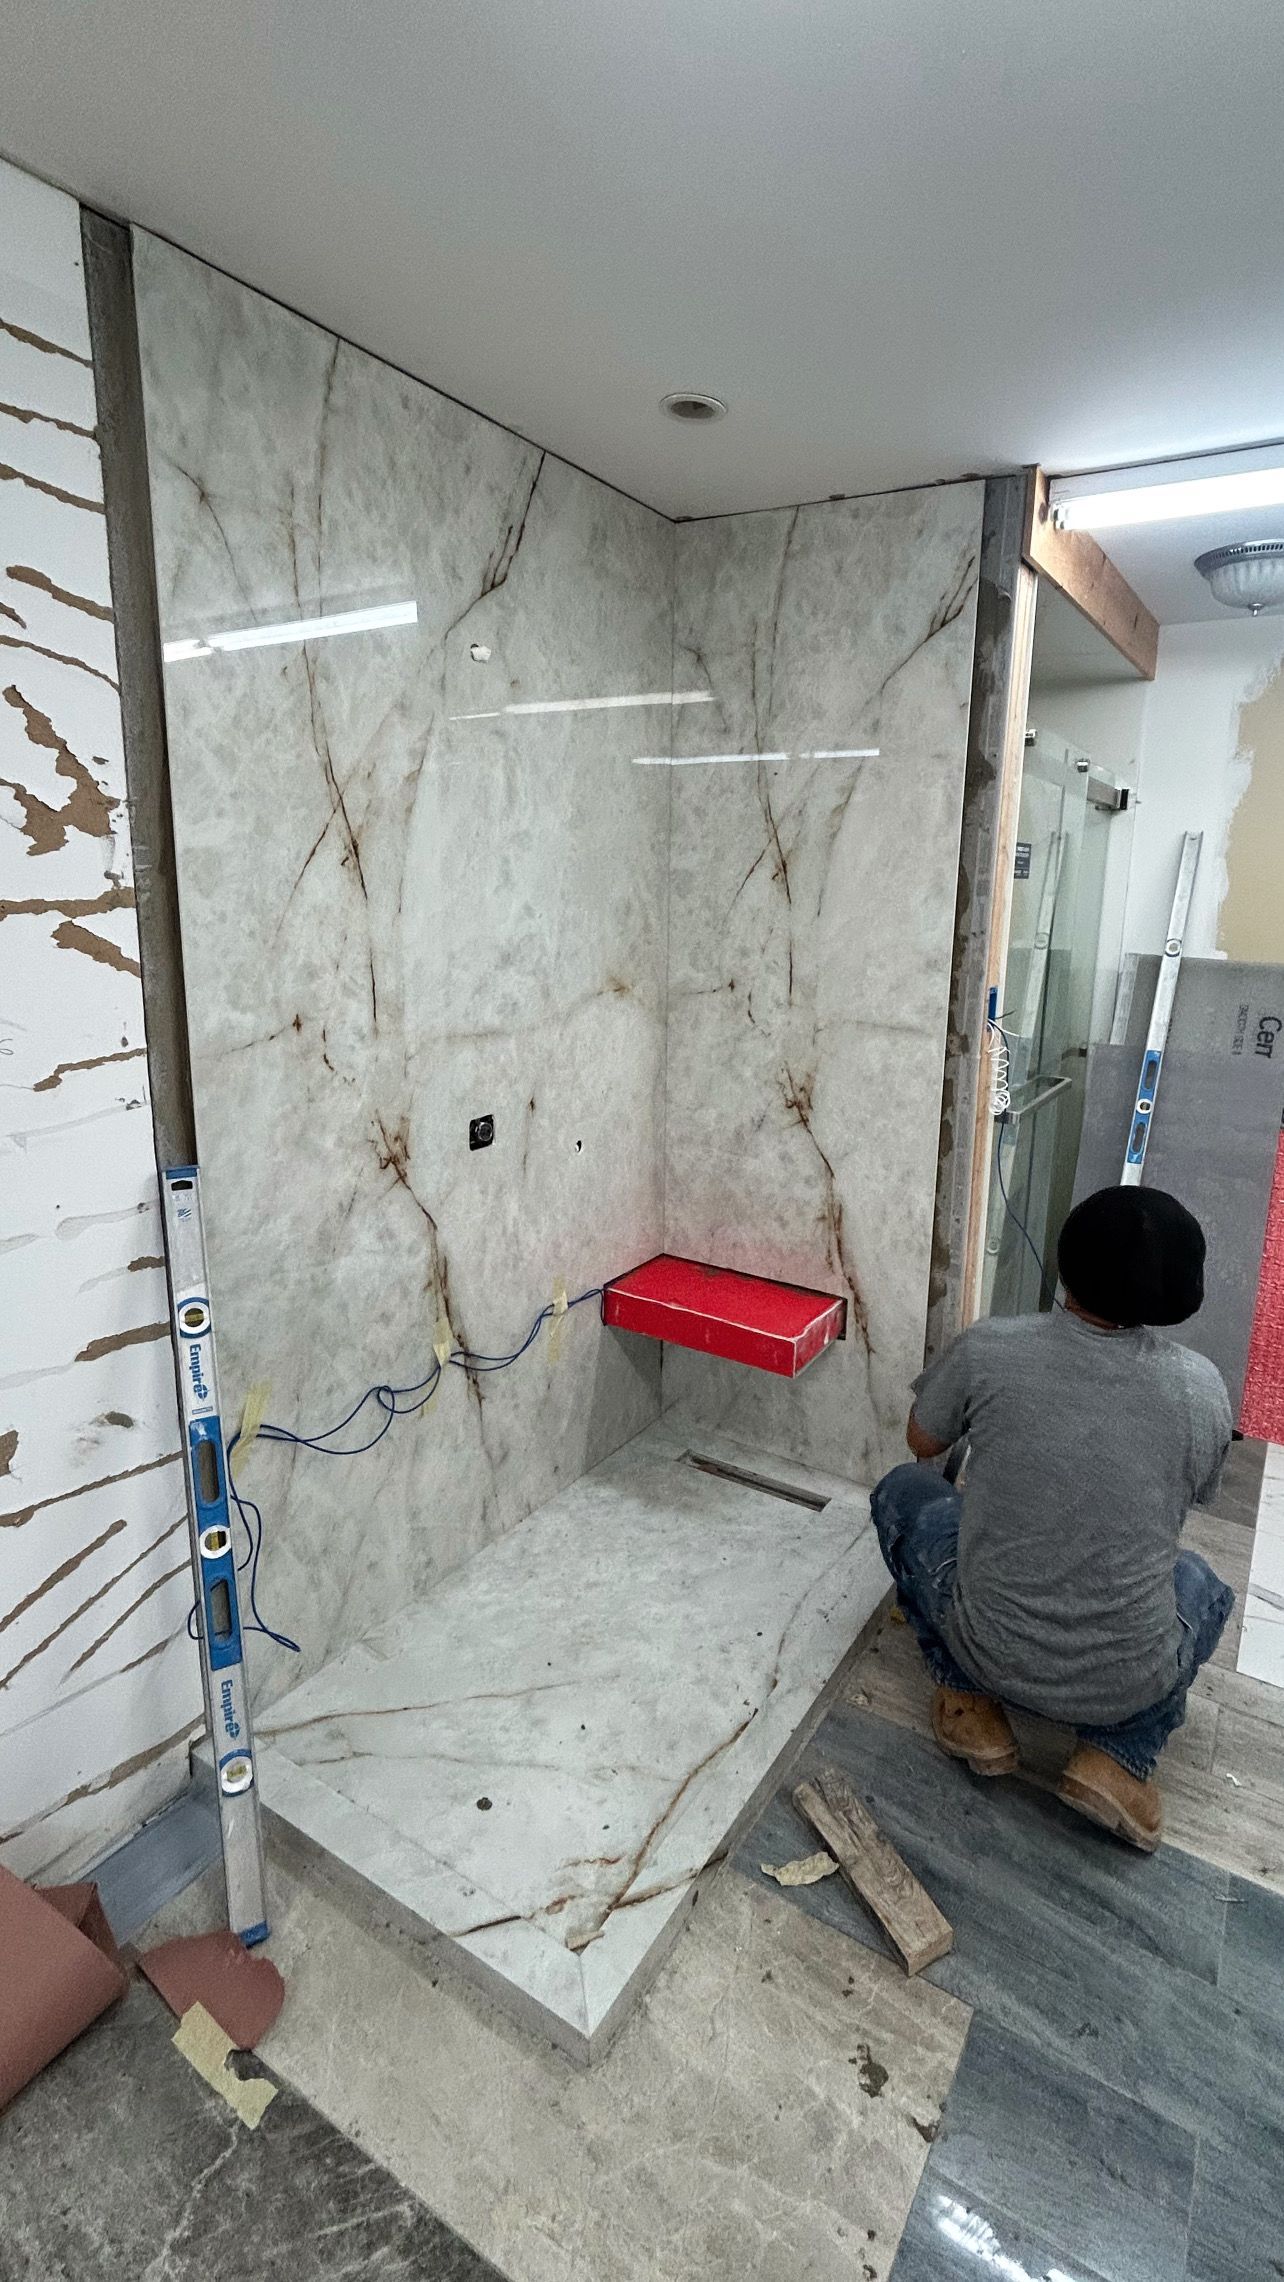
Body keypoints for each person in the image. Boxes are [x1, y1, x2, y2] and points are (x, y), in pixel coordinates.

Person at [871, 1185, 1235, 1852]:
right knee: (1203, 1585)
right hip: (1127, 1681)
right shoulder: (1202, 1388)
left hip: (986, 1646)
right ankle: (1117, 1753)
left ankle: (968, 1698)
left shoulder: (989, 1348)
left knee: (902, 1493)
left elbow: (921, 1443)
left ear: (1065, 1263)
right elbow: (1196, 1493)